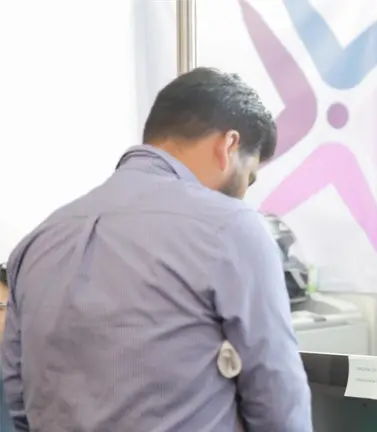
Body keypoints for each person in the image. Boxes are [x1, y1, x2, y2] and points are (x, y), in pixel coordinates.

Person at [0, 67, 312, 431]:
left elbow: (18, 398)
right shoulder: (230, 227)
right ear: (228, 146)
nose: (244, 192)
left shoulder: (38, 241)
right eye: (250, 177)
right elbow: (277, 400)